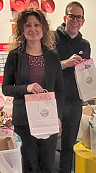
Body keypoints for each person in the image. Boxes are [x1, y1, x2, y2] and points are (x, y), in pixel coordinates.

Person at [2, 7, 64, 173]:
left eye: (36, 24)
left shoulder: (52, 56)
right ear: (22, 29)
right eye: (28, 25)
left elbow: (60, 89)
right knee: (30, 165)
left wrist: (59, 116)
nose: (33, 29)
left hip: (48, 116)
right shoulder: (15, 55)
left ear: (43, 28)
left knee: (48, 164)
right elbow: (6, 88)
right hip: (24, 119)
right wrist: (26, 88)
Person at [55, 1, 91, 173]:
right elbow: (45, 69)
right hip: (54, 99)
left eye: (79, 17)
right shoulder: (52, 39)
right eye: (72, 16)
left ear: (83, 21)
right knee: (48, 141)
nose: (75, 20)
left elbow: (85, 75)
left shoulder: (85, 44)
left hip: (75, 100)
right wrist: (65, 63)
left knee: (69, 144)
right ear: (65, 17)